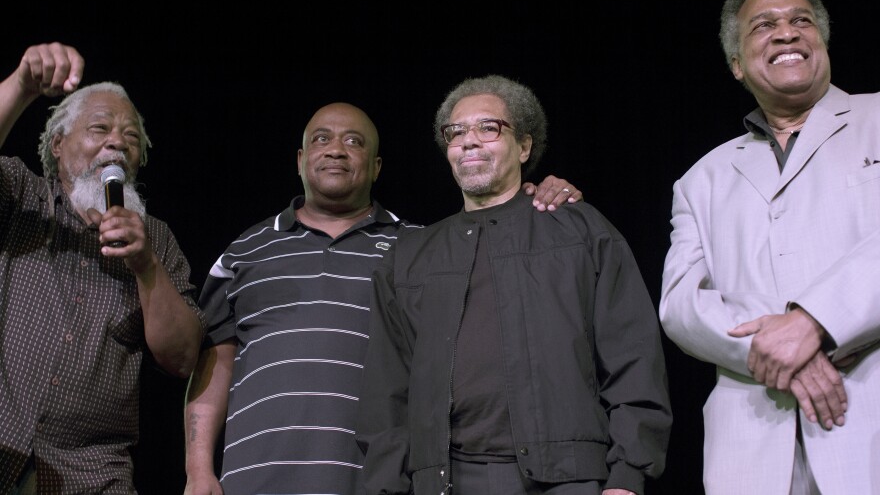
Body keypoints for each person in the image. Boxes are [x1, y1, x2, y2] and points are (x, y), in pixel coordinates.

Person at [182, 100, 582, 495]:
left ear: (375, 167)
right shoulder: (243, 252)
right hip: (255, 478)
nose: (336, 149)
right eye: (322, 139)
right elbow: (215, 360)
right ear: (301, 159)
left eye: (354, 142)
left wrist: (535, 199)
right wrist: (198, 471)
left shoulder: (419, 247)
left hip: (377, 481)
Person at [355, 74, 672, 495]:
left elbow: (634, 357)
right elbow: (386, 394)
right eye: (456, 131)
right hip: (443, 481)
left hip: (566, 478)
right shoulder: (408, 257)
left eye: (488, 128)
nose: (469, 141)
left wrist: (628, 476)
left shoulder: (579, 230)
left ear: (524, 146)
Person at [658, 0, 880, 494]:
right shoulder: (700, 179)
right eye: (763, 26)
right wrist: (777, 354)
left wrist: (815, 323)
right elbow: (681, 304)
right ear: (737, 64)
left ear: (821, 43)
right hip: (754, 441)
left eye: (801, 20)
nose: (785, 32)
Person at [0, 42, 206, 493]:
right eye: (100, 128)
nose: (117, 141)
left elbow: (183, 358)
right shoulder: (20, 197)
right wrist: (19, 86)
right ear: (58, 144)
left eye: (131, 138)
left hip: (91, 476)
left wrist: (146, 266)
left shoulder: (158, 240)